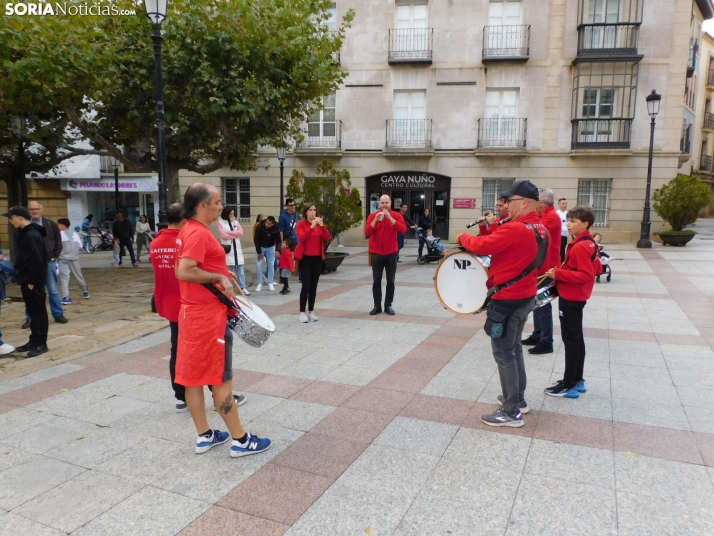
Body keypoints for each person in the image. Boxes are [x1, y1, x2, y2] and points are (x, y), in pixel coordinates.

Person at [175, 183, 269, 457]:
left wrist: (222, 272)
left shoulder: (189, 230)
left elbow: (199, 265)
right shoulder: (199, 234)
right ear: (202, 205)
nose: (220, 206)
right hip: (207, 317)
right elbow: (184, 271)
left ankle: (205, 435)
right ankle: (241, 440)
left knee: (191, 378)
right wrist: (218, 277)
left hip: (191, 313)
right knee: (220, 379)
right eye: (216, 202)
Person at [457, 180, 548, 428]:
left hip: (507, 300)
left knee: (504, 354)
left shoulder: (517, 228)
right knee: (515, 348)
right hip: (526, 295)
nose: (506, 205)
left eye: (510, 201)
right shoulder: (540, 228)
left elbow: (482, 245)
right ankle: (518, 399)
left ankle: (511, 412)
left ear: (525, 202)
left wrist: (462, 236)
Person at [151, 202, 247, 413]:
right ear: (185, 219)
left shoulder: (156, 242)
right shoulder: (187, 237)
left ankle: (179, 395)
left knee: (178, 349)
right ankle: (218, 393)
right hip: (191, 304)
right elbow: (189, 272)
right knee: (204, 354)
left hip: (168, 301)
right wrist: (219, 275)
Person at [543, 206, 597, 398]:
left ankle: (569, 384)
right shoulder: (588, 242)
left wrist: (559, 273)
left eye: (573, 221)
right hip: (576, 295)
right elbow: (596, 267)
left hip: (572, 296)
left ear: (585, 224)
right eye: (568, 220)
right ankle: (577, 379)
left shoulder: (581, 245)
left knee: (571, 340)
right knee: (576, 339)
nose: (568, 224)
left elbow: (586, 274)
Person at [5, 206, 49, 357]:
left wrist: (32, 280)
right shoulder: (25, 233)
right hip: (26, 279)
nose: (10, 221)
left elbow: (38, 259)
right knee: (32, 311)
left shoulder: (32, 235)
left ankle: (41, 343)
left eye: (12, 218)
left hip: (33, 281)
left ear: (20, 217)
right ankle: (34, 340)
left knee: (38, 312)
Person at [521, 188, 561, 355]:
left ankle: (546, 341)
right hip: (542, 266)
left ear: (543, 203)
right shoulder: (545, 216)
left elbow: (532, 230)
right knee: (537, 303)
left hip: (548, 267)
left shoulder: (550, 218)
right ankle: (538, 335)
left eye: (535, 202)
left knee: (542, 304)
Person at [21, 201, 67, 326]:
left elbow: (58, 242)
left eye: (36, 209)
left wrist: (54, 257)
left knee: (53, 290)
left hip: (48, 262)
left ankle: (58, 314)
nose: (34, 211)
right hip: (31, 264)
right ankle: (30, 317)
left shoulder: (50, 225)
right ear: (28, 211)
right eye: (31, 209)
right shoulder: (24, 225)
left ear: (42, 210)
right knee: (31, 291)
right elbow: (18, 244)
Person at [365, 195, 406, 316]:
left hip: (391, 253)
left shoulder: (397, 215)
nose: (384, 205)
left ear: (391, 203)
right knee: (376, 281)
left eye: (386, 203)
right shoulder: (373, 215)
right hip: (377, 253)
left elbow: (403, 229)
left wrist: (391, 219)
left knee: (390, 281)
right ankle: (377, 306)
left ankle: (388, 305)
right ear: (379, 204)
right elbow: (367, 232)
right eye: (382, 203)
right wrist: (374, 220)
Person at [294, 203, 331, 322]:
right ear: (306, 212)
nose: (313, 212)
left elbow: (327, 237)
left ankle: (311, 311)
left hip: (318, 258)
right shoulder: (301, 224)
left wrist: (322, 226)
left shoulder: (319, 224)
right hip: (305, 258)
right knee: (306, 286)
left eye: (314, 210)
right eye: (310, 210)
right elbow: (302, 238)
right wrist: (311, 227)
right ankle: (301, 312)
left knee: (314, 286)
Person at [218, 207, 250, 296]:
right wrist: (234, 234)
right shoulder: (221, 223)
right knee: (228, 271)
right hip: (228, 250)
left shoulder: (235, 222)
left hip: (237, 250)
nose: (232, 215)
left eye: (233, 214)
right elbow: (223, 236)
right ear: (226, 214)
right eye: (231, 214)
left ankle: (243, 287)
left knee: (241, 272)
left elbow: (241, 232)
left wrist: (230, 232)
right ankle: (229, 289)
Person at [57, 218, 89, 304]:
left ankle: (65, 297)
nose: (58, 226)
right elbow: (80, 246)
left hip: (63, 259)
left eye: (58, 225)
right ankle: (85, 292)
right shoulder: (75, 234)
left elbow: (56, 246)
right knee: (79, 276)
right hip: (74, 259)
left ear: (63, 225)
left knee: (64, 278)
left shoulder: (59, 235)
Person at [253, 215, 279, 291]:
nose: (267, 225)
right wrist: (259, 252)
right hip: (261, 247)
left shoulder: (276, 228)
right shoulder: (260, 227)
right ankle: (259, 283)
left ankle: (270, 282)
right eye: (266, 223)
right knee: (259, 266)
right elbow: (256, 240)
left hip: (271, 247)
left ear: (272, 224)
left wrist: (278, 250)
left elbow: (278, 240)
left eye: (269, 224)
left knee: (271, 264)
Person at [252, 214, 268, 286]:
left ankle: (265, 277)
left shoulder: (264, 225)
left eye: (262, 217)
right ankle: (260, 280)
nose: (262, 218)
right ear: (258, 218)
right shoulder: (257, 225)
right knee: (259, 263)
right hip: (259, 246)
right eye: (260, 217)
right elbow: (254, 234)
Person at [556, 198, 569, 262]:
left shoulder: (567, 214)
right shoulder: (557, 213)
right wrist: (566, 229)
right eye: (563, 203)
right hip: (560, 235)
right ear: (559, 204)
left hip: (565, 235)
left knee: (564, 250)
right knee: (561, 251)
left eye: (566, 203)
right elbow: (559, 225)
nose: (565, 205)